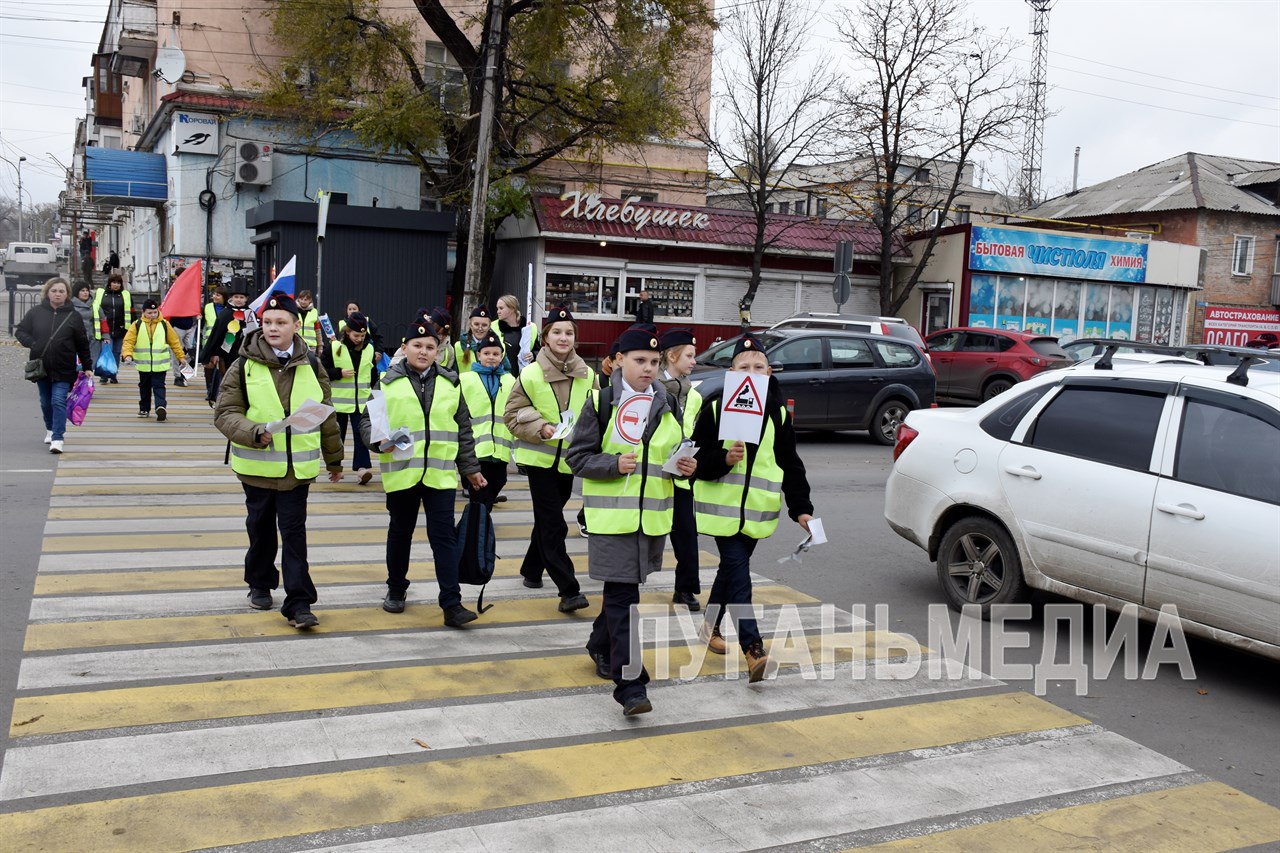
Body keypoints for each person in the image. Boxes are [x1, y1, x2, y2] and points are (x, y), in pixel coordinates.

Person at [566, 327, 697, 716]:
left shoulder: (666, 403)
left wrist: (685, 466)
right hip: (611, 521)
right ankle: (630, 685)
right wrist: (612, 464)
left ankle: (599, 643)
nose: (649, 369)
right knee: (624, 597)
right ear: (619, 360)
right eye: (640, 360)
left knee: (621, 593)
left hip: (651, 521)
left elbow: (671, 456)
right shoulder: (601, 401)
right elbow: (577, 457)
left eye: (655, 362)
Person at [214, 292, 343, 629]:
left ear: (296, 325)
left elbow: (326, 416)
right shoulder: (244, 366)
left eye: (281, 322)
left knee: (294, 534)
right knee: (260, 529)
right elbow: (225, 413)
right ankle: (259, 581)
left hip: (296, 471)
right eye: (268, 322)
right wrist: (254, 431)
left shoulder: (313, 365)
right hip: (256, 469)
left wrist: (335, 459)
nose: (273, 328)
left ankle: (299, 603)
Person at [692, 333, 814, 683]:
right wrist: (724, 459)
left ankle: (709, 625)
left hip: (757, 513)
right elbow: (696, 457)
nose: (752, 372)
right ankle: (754, 648)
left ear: (769, 372)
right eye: (744, 367)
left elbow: (791, 463)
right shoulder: (716, 408)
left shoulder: (777, 414)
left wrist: (801, 509)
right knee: (738, 572)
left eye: (759, 367)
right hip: (721, 511)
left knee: (730, 572)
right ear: (731, 372)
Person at [360, 319, 486, 626]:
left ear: (439, 351)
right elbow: (367, 423)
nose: (424, 351)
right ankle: (396, 588)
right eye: (417, 345)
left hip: (439, 476)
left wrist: (470, 469)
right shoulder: (387, 383)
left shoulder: (451, 383)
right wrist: (378, 441)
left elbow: (463, 430)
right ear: (404, 348)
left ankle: (451, 603)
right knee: (400, 533)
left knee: (443, 537)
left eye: (431, 347)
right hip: (402, 473)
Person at [503, 305, 592, 613]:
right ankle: (569, 589)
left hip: (569, 462)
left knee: (547, 521)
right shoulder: (529, 373)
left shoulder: (588, 374)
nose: (563, 337)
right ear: (545, 337)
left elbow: (596, 415)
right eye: (557, 332)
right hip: (538, 460)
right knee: (554, 524)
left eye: (569, 333)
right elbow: (512, 415)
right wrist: (540, 426)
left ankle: (531, 569)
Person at [15, 278, 92, 454]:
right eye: (54, 291)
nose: (58, 294)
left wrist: (87, 366)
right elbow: (20, 330)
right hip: (41, 366)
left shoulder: (74, 316)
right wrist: (33, 343)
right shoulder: (36, 312)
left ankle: (58, 438)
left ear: (67, 295)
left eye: (61, 291)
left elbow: (82, 343)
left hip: (64, 366)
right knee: (45, 402)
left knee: (58, 400)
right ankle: (50, 428)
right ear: (47, 292)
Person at [658, 327, 703, 611]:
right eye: (689, 355)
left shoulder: (694, 395)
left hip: (681, 475)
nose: (694, 361)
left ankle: (685, 588)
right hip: (652, 475)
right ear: (672, 356)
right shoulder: (652, 389)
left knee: (687, 534)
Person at [458, 330, 514, 506]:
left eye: (496, 354)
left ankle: (476, 523)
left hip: (500, 448)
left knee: (499, 481)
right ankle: (478, 527)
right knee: (479, 491)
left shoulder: (509, 379)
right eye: (487, 353)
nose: (491, 357)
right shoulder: (465, 379)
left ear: (501, 356)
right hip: (475, 447)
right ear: (478, 355)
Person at [322, 312, 377, 484]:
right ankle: (335, 469)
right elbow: (321, 371)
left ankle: (362, 469)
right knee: (337, 437)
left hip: (361, 402)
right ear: (347, 332)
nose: (359, 339)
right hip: (338, 403)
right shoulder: (333, 347)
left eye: (362, 335)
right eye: (356, 335)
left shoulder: (369, 349)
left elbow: (373, 374)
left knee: (362, 435)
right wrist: (338, 373)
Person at [122, 298, 186, 421]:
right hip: (143, 363)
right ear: (143, 312)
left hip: (160, 364)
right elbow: (128, 341)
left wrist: (181, 356)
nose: (152, 315)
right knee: (144, 386)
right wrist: (127, 354)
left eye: (155, 312)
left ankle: (160, 407)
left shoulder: (164, 324)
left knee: (159, 385)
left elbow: (174, 342)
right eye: (149, 313)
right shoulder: (137, 324)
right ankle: (144, 408)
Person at [200, 282, 250, 405]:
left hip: (245, 353)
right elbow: (217, 335)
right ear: (231, 298)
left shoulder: (250, 314)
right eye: (236, 297)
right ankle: (225, 402)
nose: (239, 300)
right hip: (226, 353)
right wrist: (215, 353)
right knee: (227, 379)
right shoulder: (225, 313)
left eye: (242, 297)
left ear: (246, 299)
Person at [92, 273, 132, 383]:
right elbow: (95, 310)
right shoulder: (101, 293)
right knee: (106, 351)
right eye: (114, 282)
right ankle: (104, 374)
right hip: (106, 329)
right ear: (109, 283)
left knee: (117, 352)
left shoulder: (125, 295)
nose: (116, 285)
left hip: (120, 328)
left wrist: (131, 328)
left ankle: (113, 373)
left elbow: (131, 311)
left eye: (118, 283)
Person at [495, 294, 537, 375]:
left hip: (525, 376)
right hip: (502, 376)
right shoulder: (494, 327)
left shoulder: (530, 328)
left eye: (501, 308)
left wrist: (533, 355)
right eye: (497, 308)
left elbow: (538, 350)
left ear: (512, 309)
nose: (498, 311)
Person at [454, 305, 492, 371]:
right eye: (476, 324)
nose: (480, 328)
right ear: (470, 325)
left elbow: (506, 371)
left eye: (484, 325)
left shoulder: (497, 346)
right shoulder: (459, 346)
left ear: (489, 327)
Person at [70, 282, 98, 373]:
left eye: (87, 290)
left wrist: (105, 335)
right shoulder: (70, 305)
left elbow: (102, 319)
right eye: (82, 291)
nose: (86, 293)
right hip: (75, 339)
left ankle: (85, 385)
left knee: (89, 365)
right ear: (76, 292)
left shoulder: (94, 304)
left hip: (91, 338)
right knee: (76, 365)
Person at [428, 307, 457, 371]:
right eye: (438, 334)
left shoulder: (450, 350)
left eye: (443, 334)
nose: (440, 337)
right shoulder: (415, 341)